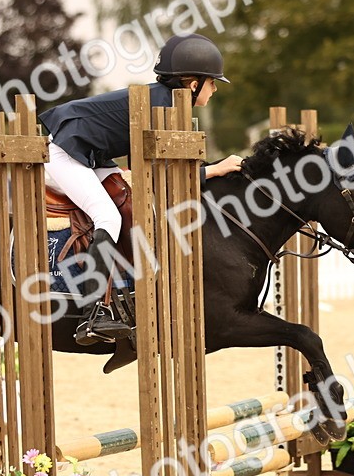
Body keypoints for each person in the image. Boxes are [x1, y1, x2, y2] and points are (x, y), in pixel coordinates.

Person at [39, 33, 244, 346]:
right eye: (212, 82)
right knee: (108, 216)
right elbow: (155, 173)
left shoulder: (168, 104)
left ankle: (122, 296)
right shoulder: (161, 106)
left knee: (130, 206)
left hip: (93, 156)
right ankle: (93, 312)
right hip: (66, 153)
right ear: (193, 84)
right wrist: (215, 169)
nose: (215, 89)